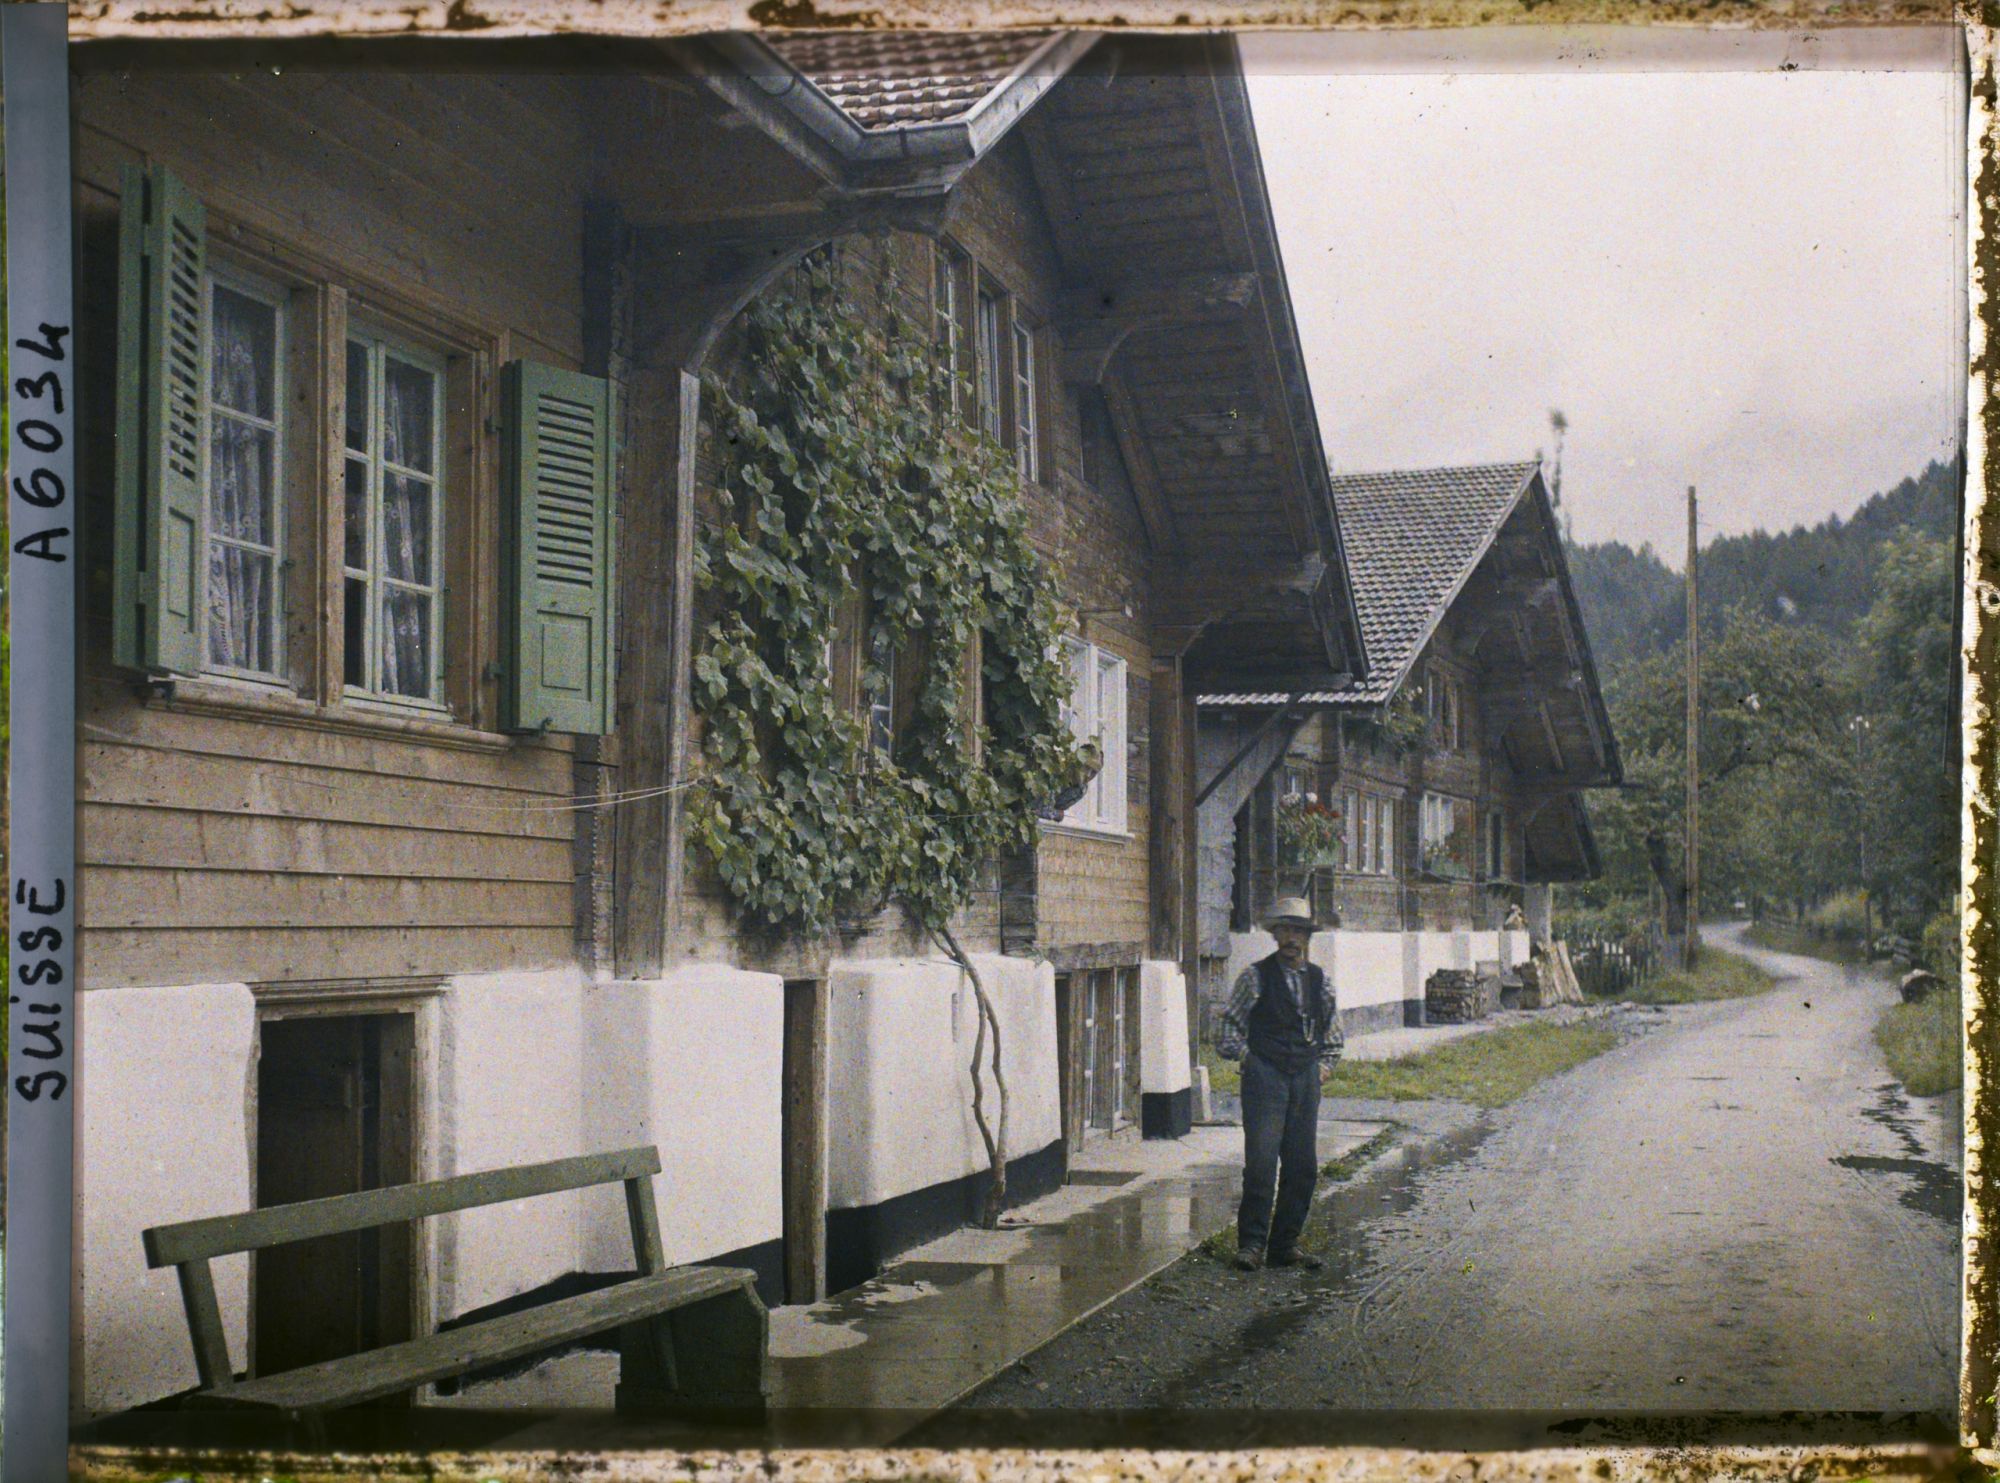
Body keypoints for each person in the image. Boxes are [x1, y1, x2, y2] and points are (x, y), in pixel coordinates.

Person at [1216, 895, 1344, 1272]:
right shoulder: (1254, 977)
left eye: (1299, 930)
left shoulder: (1321, 982)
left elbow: (1334, 1035)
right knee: (1261, 1163)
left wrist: (1323, 1068)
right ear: (1275, 935)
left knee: (1302, 1165)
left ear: (1307, 936)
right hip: (1265, 1078)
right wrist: (1248, 1060)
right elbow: (1227, 1029)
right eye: (1285, 929)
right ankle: (1251, 1245)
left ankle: (1285, 1244)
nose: (1292, 938)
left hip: (1305, 1078)